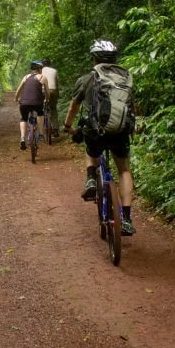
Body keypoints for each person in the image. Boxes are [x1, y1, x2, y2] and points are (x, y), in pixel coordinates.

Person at [62, 40, 136, 236]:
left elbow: (73, 107)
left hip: (96, 131)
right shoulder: (125, 78)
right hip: (120, 131)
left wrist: (68, 126)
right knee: (124, 171)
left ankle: (90, 180)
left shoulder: (87, 79)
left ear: (94, 59)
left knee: (91, 151)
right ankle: (126, 219)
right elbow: (130, 106)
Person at [13, 60, 47, 150]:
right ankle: (40, 134)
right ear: (39, 69)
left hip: (24, 103)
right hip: (37, 103)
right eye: (41, 68)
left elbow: (18, 91)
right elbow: (47, 93)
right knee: (40, 113)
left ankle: (22, 138)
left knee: (23, 118)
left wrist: (16, 99)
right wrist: (48, 99)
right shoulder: (42, 77)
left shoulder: (25, 77)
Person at [39, 59, 60, 136]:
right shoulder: (54, 71)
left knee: (40, 109)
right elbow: (57, 83)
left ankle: (40, 129)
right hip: (53, 91)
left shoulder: (40, 71)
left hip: (42, 91)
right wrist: (57, 94)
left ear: (42, 65)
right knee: (53, 109)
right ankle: (55, 129)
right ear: (49, 64)